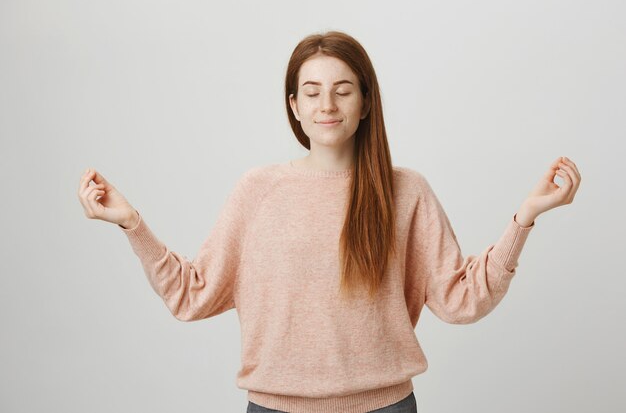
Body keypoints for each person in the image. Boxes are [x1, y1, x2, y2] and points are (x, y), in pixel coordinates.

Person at [77, 30, 581, 413]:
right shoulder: (258, 190)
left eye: (343, 90)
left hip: (385, 407)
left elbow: (461, 298)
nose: (327, 105)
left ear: (365, 104)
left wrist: (525, 218)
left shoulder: (405, 190)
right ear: (294, 107)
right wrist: (131, 223)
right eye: (312, 92)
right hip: (274, 408)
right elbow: (192, 295)